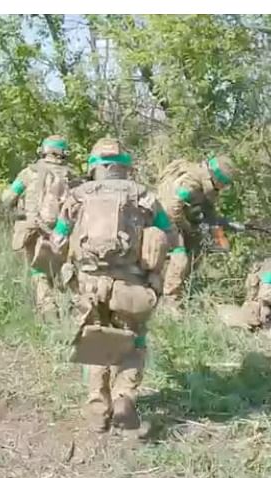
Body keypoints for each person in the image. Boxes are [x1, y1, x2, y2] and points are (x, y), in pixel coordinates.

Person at [52, 138, 177, 435]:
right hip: (131, 285)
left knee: (95, 341)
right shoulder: (143, 195)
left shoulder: (77, 195)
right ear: (125, 166)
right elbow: (170, 235)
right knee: (134, 341)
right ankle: (125, 398)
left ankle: (97, 409)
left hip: (89, 284)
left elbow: (58, 240)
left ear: (95, 166)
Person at [0, 134, 81, 317]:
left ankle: (48, 307)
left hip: (33, 228)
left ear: (43, 150)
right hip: (63, 231)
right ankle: (80, 303)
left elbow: (7, 198)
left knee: (38, 269)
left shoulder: (29, 173)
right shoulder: (72, 176)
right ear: (63, 153)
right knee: (65, 265)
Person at [156, 154, 243, 299]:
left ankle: (183, 285)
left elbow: (209, 211)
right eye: (224, 183)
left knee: (196, 247)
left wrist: (223, 227)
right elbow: (172, 208)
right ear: (216, 178)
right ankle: (170, 300)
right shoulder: (192, 182)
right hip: (164, 217)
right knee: (180, 256)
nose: (224, 187)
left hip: (178, 217)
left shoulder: (206, 184)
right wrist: (187, 226)